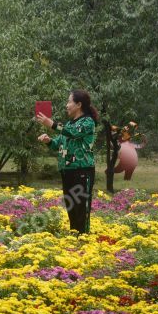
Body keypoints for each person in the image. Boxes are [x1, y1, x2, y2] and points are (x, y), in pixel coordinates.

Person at [36, 89, 98, 234]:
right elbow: (59, 143)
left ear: (79, 104)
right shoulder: (70, 124)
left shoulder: (87, 122)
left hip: (82, 171)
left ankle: (84, 239)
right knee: (72, 209)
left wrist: (51, 124)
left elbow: (74, 133)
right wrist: (48, 140)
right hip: (68, 171)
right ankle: (74, 238)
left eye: (69, 101)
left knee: (81, 208)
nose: (67, 105)